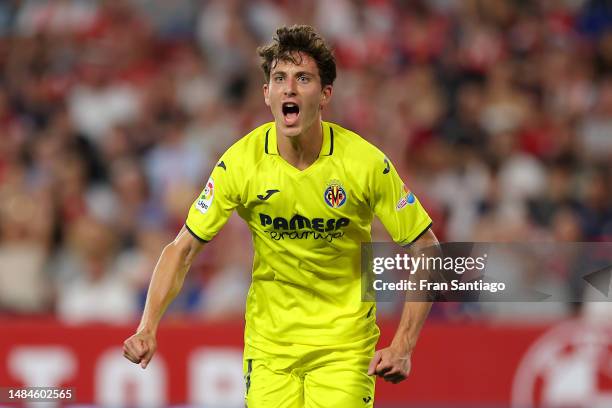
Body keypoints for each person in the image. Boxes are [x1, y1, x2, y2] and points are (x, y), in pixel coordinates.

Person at [123, 24, 438, 407]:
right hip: (270, 349)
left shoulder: (365, 164)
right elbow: (183, 248)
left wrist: (403, 344)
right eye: (279, 78)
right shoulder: (240, 163)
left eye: (303, 78)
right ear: (267, 94)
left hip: (344, 347)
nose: (289, 88)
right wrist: (147, 326)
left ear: (325, 95)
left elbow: (427, 247)